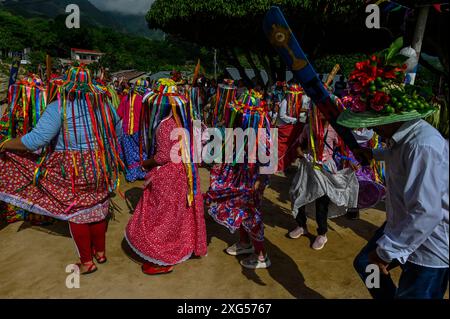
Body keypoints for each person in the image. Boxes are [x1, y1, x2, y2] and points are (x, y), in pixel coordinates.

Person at [338, 45, 449, 299]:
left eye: (373, 123)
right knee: (367, 266)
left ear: (390, 116)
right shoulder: (403, 137)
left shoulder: (422, 144)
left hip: (429, 245)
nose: (371, 129)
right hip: (402, 223)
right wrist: (373, 154)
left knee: (379, 267)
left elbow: (427, 212)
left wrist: (386, 253)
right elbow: (397, 153)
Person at [0, 65, 123, 275]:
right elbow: (118, 132)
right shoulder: (105, 105)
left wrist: (6, 144)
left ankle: (86, 261)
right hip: (102, 164)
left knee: (76, 211)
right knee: (97, 205)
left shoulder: (59, 107)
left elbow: (36, 141)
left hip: (73, 168)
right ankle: (100, 252)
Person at [125, 79, 207, 275]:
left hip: (170, 174)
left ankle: (163, 258)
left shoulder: (165, 125)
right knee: (179, 213)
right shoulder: (189, 122)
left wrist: (146, 163)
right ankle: (181, 246)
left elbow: (162, 157)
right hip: (187, 173)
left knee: (161, 215)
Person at [205, 90, 273, 269]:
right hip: (238, 176)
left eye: (242, 114)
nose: (238, 117)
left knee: (250, 213)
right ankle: (245, 243)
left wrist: (260, 180)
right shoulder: (240, 130)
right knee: (238, 209)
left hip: (252, 180)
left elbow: (268, 159)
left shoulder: (262, 133)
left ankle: (261, 255)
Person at [288, 107, 359, 250]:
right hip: (307, 168)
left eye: (323, 110)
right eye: (318, 110)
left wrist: (349, 161)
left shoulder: (335, 130)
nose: (320, 113)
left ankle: (322, 234)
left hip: (326, 170)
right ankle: (301, 226)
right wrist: (302, 154)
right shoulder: (308, 128)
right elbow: (299, 147)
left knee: (322, 202)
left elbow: (341, 150)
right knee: (298, 194)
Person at [117, 78, 149, 182]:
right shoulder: (145, 100)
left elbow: (119, 115)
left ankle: (133, 174)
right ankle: (143, 172)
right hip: (140, 131)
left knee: (130, 154)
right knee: (142, 152)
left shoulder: (126, 98)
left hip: (126, 130)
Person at [276, 84, 309, 175]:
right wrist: (295, 120)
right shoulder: (285, 102)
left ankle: (286, 165)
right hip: (284, 128)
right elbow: (282, 116)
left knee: (290, 147)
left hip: (291, 127)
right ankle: (279, 167)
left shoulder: (295, 102)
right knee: (282, 148)